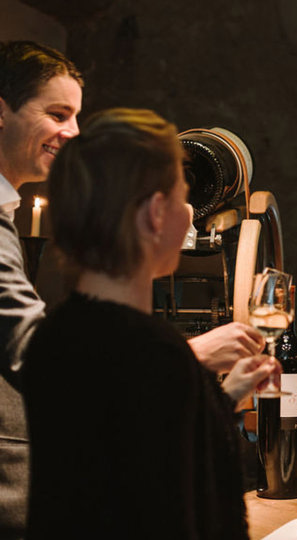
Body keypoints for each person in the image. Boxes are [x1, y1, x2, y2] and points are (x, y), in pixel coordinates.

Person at [0, 41, 262, 536]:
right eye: (183, 196)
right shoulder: (148, 352)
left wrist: (221, 396)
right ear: (152, 214)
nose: (72, 131)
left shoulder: (67, 329)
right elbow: (188, 510)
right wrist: (188, 363)